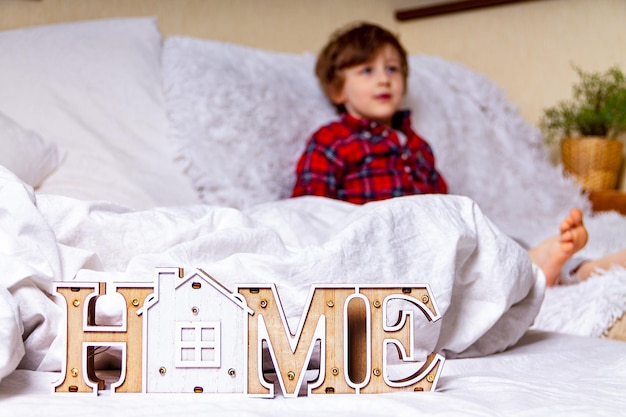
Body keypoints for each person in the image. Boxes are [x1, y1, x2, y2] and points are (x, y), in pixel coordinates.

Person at [291, 22, 626, 287]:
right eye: (367, 70)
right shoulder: (332, 140)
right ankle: (532, 273)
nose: (384, 79)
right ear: (336, 89)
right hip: (380, 245)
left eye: (392, 69)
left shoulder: (416, 144)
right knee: (456, 275)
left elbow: (443, 202)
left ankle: (575, 267)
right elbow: (309, 210)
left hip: (433, 239)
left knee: (497, 242)